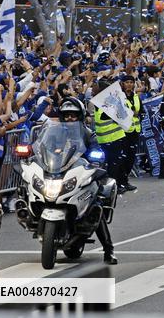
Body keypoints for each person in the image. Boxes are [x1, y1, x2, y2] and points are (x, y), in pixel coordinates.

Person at [54, 97, 117, 264]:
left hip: (82, 176)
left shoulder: (87, 134)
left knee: (96, 208)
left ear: (79, 116)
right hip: (58, 175)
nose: (69, 118)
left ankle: (108, 249)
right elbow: (43, 148)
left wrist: (95, 160)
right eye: (66, 115)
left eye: (73, 115)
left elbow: (97, 152)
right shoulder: (54, 132)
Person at [119, 74, 141, 193]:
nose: (129, 84)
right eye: (127, 82)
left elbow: (140, 111)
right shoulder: (120, 97)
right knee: (123, 157)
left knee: (131, 158)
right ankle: (120, 182)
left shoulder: (136, 96)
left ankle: (125, 181)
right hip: (123, 131)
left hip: (134, 131)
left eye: (131, 82)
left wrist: (137, 114)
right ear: (123, 84)